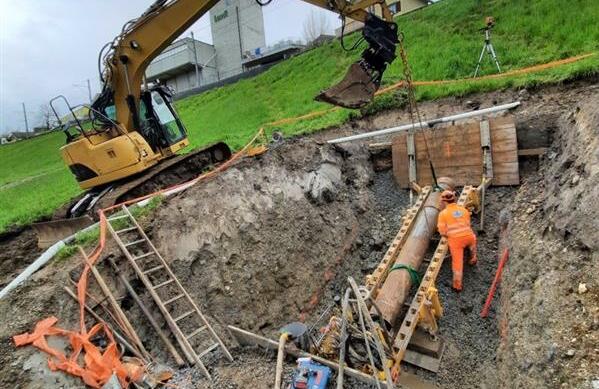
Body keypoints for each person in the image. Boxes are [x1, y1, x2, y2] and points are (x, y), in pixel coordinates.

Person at [437, 190, 478, 291]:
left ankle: (457, 286)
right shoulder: (463, 209)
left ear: (444, 201)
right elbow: (468, 224)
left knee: (457, 264)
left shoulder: (443, 214)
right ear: (454, 199)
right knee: (472, 247)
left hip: (456, 241)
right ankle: (473, 259)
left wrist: (449, 235)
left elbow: (442, 232)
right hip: (469, 236)